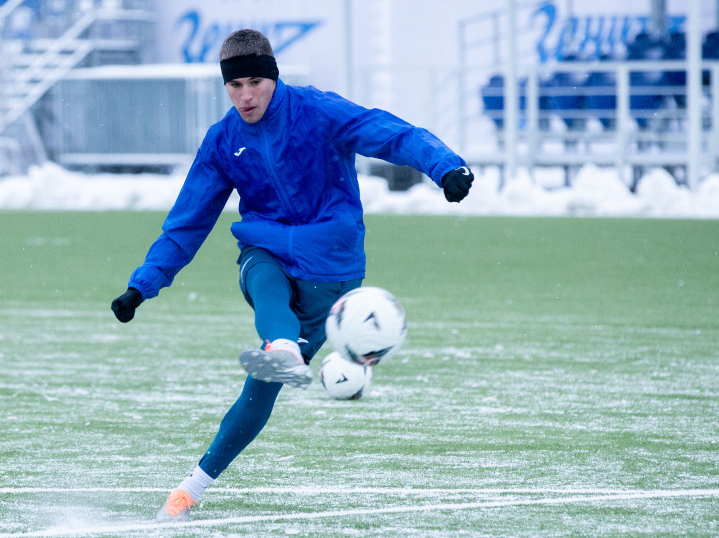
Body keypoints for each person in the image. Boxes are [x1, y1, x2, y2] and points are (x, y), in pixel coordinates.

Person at [111, 29, 474, 521]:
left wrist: (445, 166)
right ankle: (188, 491)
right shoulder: (222, 141)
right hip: (269, 251)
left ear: (274, 78)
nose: (245, 95)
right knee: (260, 275)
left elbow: (390, 132)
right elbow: (187, 222)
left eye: (255, 82)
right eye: (235, 86)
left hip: (333, 265)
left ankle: (281, 349)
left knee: (262, 388)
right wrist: (142, 285)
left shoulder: (317, 111)